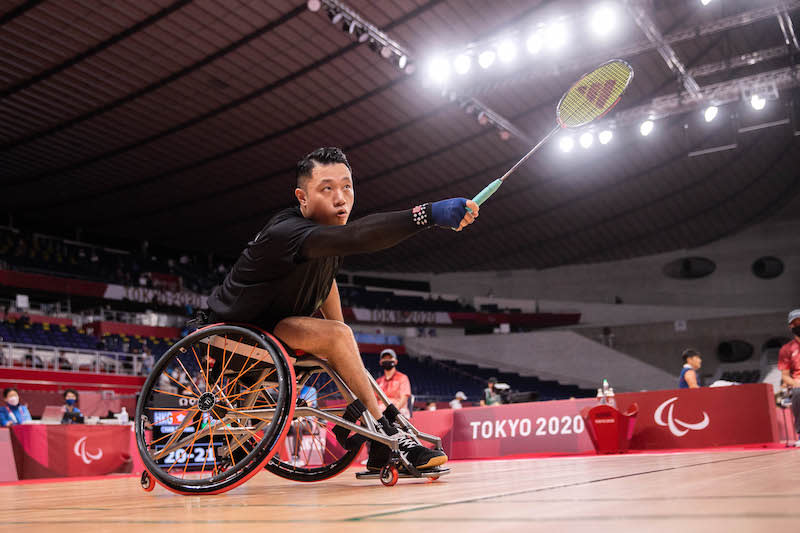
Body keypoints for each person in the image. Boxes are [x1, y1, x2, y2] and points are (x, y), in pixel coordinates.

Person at [207, 147, 478, 472]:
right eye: (327, 188)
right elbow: (360, 235)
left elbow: (327, 291)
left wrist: (346, 355)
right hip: (232, 337)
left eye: (347, 186)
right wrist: (428, 215)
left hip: (274, 333)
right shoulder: (287, 233)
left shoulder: (327, 243)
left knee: (343, 346)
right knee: (338, 338)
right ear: (302, 198)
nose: (341, 198)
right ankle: (387, 433)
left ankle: (377, 440)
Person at [778, 308, 800, 446]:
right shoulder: (786, 349)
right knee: (799, 393)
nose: (798, 325)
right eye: (795, 323)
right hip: (798, 384)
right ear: (790, 327)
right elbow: (785, 376)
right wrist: (796, 382)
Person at [375, 348, 412, 419]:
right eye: (385, 358)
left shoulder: (402, 378)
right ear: (380, 362)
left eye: (390, 358)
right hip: (380, 412)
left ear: (395, 361)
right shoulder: (378, 381)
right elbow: (374, 400)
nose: (387, 360)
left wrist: (393, 411)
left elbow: (404, 398)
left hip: (398, 412)